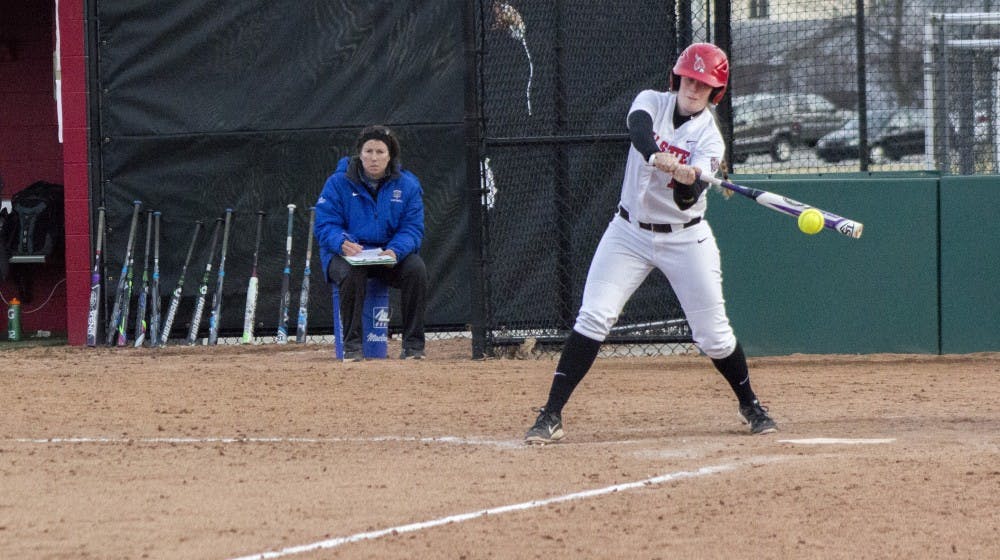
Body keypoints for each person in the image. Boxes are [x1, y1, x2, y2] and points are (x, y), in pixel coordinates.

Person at [524, 43, 777, 444]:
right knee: (593, 317)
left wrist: (688, 178)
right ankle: (550, 414)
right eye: (689, 79)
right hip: (628, 232)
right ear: (677, 78)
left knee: (713, 335)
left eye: (704, 84)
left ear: (716, 92)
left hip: (686, 238)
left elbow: (685, 200)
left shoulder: (710, 143)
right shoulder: (651, 101)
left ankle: (750, 404)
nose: (694, 88)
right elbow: (638, 129)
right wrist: (658, 155)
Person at [314, 125, 428, 361]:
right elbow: (325, 225)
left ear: (390, 156)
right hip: (348, 255)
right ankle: (352, 347)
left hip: (388, 256)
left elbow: (412, 229)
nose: (373, 158)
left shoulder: (408, 185)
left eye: (380, 152)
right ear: (359, 153)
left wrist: (394, 251)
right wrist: (342, 243)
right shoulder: (337, 183)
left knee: (416, 269)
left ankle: (413, 346)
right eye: (368, 151)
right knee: (350, 272)